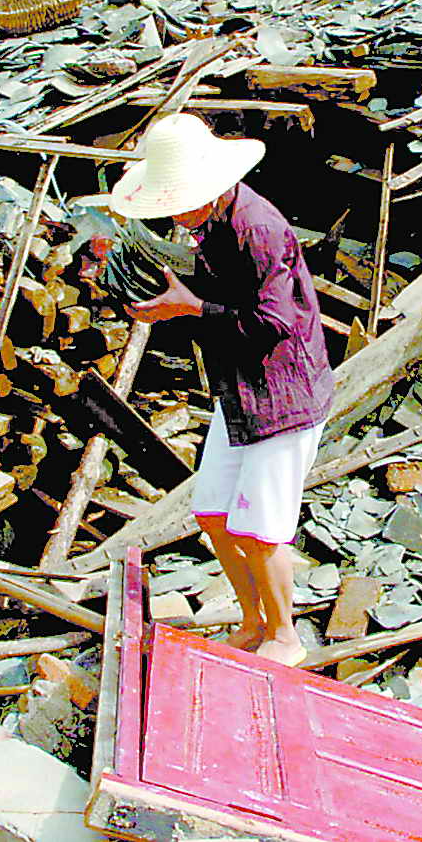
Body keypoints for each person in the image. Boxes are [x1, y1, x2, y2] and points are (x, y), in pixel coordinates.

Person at [111, 114, 334, 667]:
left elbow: (274, 322)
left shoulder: (259, 227)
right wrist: (181, 301)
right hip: (239, 390)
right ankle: (254, 618)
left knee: (262, 527)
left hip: (282, 392)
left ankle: (286, 635)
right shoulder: (210, 223)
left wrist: (192, 308)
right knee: (213, 511)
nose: (174, 214)